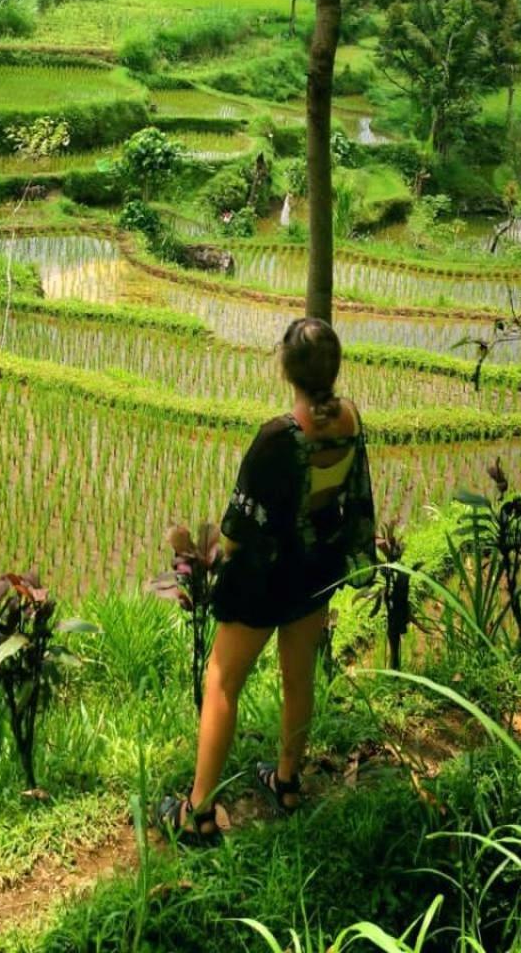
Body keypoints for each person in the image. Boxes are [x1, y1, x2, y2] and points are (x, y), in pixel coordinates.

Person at [158, 316, 376, 845]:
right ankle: (286, 783)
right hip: (315, 573)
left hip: (265, 581)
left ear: (286, 369)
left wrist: (219, 560)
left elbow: (237, 528)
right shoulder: (348, 421)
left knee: (222, 682)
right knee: (297, 678)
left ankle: (198, 810)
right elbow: (356, 499)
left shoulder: (277, 438)